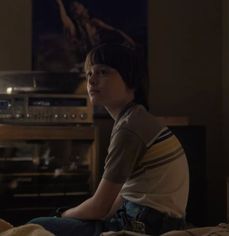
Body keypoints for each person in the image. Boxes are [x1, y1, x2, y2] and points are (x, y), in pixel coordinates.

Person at [28, 43, 189, 236]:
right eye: (89, 73)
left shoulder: (130, 127)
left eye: (103, 72)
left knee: (36, 226)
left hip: (144, 223)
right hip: (152, 218)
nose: (92, 80)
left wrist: (62, 215)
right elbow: (120, 197)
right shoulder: (136, 118)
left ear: (131, 81)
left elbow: (99, 207)